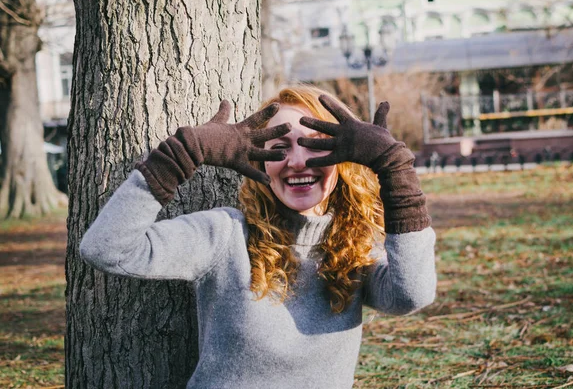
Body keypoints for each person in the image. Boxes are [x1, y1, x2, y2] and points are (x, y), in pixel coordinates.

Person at [80, 85, 436, 389]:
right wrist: (181, 154)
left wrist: (395, 167)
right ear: (261, 158)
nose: (297, 161)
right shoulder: (225, 235)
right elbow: (106, 248)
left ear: (345, 158)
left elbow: (411, 295)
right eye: (279, 147)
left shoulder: (354, 248)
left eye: (315, 146)